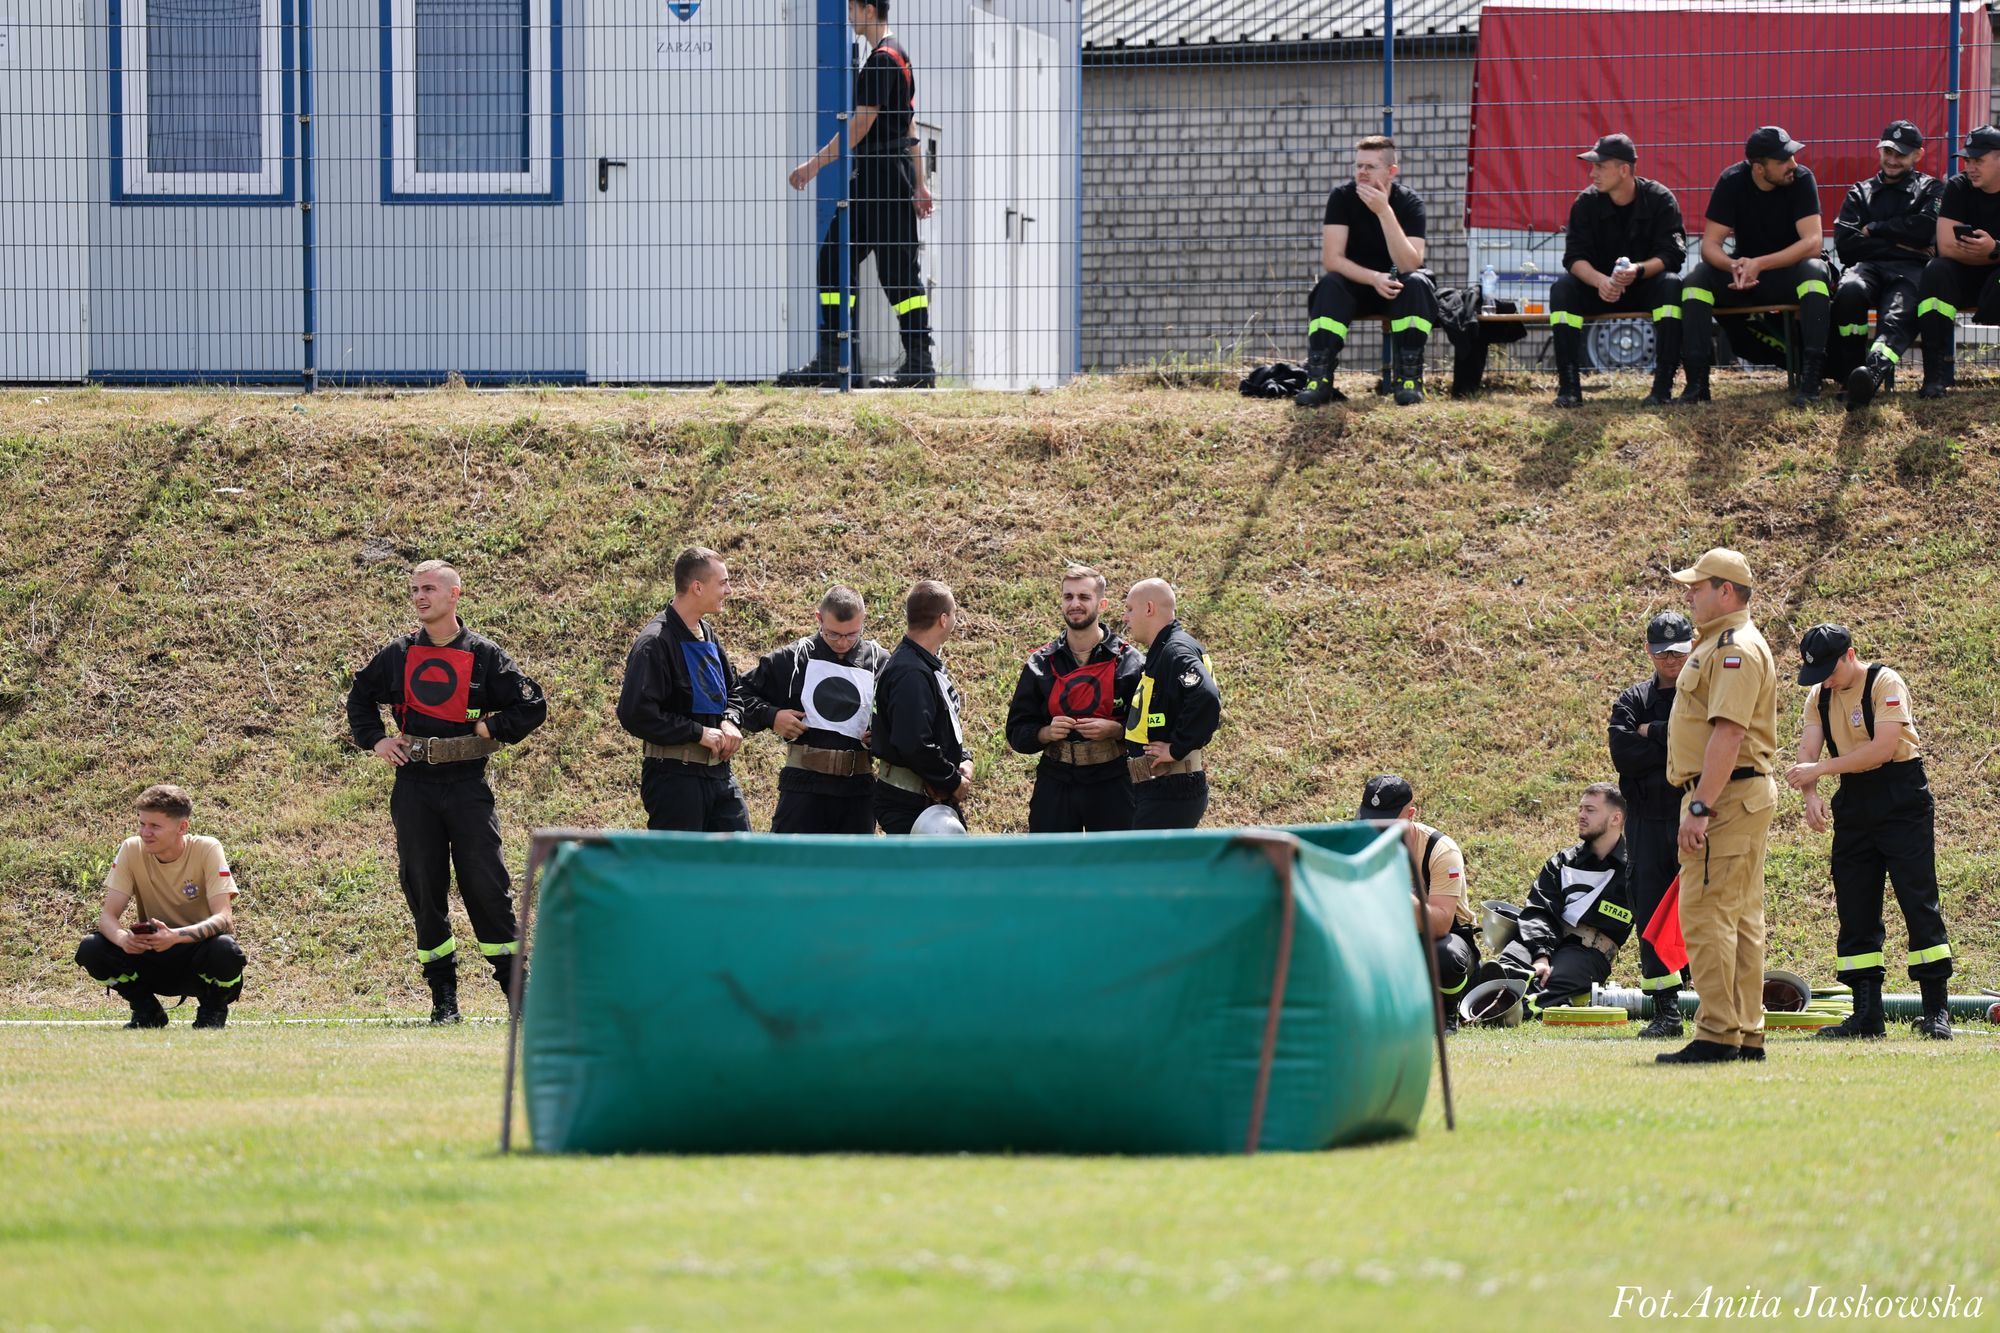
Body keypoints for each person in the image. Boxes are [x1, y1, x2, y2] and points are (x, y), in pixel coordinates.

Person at [347, 560, 547, 1024]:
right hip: (414, 787)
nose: (420, 597)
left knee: (487, 884)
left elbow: (531, 705)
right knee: (423, 887)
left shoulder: (484, 654)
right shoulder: (397, 654)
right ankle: (444, 1001)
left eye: (430, 589)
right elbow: (360, 695)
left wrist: (492, 725)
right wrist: (376, 739)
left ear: (455, 594)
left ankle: (520, 999)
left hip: (467, 787)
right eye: (415, 589)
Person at [1786, 624, 1953, 1039]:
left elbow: (1882, 748)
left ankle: (1936, 1011)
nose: (1825, 679)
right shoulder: (1819, 695)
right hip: (1855, 801)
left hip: (1900, 796)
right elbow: (1808, 751)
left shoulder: (1885, 682)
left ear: (1850, 654)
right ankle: (1867, 1015)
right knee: (1855, 905)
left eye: (1829, 669)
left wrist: (1821, 770)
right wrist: (1810, 795)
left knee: (1918, 900)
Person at [1658, 548, 1778, 1064]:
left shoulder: (1733, 649)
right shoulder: (1725, 644)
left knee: (1707, 916)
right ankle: (1744, 1032)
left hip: (1724, 798)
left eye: (1698, 586)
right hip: (1739, 795)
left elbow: (1728, 733)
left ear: (1725, 590)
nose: (1689, 594)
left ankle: (1717, 1032)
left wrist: (1700, 806)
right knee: (1742, 919)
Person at [778, 0, 936, 390]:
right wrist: (919, 182)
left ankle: (919, 364)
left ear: (868, 9)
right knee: (835, 258)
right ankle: (833, 358)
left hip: (882, 176)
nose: (849, 17)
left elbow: (860, 125)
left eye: (852, 8)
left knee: (898, 275)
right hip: (881, 175)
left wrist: (812, 166)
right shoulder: (896, 55)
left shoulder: (883, 59)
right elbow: (910, 123)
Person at [1679, 127, 1833, 406]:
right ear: (1759, 168)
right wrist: (1733, 266)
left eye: (1793, 157)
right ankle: (1696, 386)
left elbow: (1812, 242)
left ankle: (1811, 381)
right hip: (1746, 277)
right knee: (1696, 281)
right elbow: (1710, 246)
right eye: (1783, 160)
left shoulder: (1801, 179)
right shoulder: (1731, 181)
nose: (1793, 165)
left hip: (1786, 273)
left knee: (1814, 270)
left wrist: (1759, 264)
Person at [73, 785, 244, 1030]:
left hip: (196, 960)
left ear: (182, 827)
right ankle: (146, 1010)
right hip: (152, 956)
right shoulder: (131, 849)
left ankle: (213, 1010)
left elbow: (224, 918)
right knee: (92, 948)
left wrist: (175, 936)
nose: (145, 833)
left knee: (225, 950)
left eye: (155, 826)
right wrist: (123, 939)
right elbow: (107, 917)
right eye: (142, 824)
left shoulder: (207, 848)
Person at [1295, 135, 1437, 408]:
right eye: (1358, 165)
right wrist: (1373, 278)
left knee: (1418, 282)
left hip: (1398, 290)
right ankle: (1319, 379)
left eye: (1370, 167)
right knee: (1329, 284)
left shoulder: (1410, 202)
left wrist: (1384, 212)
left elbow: (1410, 264)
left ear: (1391, 171)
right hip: (1357, 287)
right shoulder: (1341, 197)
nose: (1361, 172)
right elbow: (1333, 260)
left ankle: (1408, 379)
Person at [1547, 135, 1688, 408]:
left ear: (1624, 170)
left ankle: (1662, 389)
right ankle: (1569, 389)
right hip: (1600, 290)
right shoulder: (1585, 203)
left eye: (1600, 166)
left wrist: (1638, 270)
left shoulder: (1660, 199)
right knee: (1562, 289)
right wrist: (1600, 281)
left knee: (1671, 284)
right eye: (1593, 167)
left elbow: (1672, 255)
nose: (1592, 173)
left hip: (1645, 285)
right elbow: (1574, 258)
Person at [1005, 566, 1147, 833]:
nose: (1075, 604)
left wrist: (1117, 730)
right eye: (1068, 597)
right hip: (1055, 779)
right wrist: (1045, 732)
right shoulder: (1040, 664)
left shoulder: (1131, 662)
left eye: (1084, 597)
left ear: (1101, 604)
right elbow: (1016, 732)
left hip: (1112, 780)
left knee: (1115, 867)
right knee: (1051, 867)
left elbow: (1153, 728)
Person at [738, 585, 888, 834]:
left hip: (857, 789)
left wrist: (880, 734)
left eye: (852, 634)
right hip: (803, 787)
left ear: (863, 621)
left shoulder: (879, 662)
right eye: (833, 634)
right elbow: (738, 693)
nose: (842, 642)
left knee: (855, 871)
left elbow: (900, 716)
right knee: (791, 868)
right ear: (818, 619)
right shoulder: (794, 658)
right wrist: (772, 715)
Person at [1608, 611, 1694, 1036]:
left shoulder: (1702, 694)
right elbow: (1624, 756)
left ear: (1693, 646)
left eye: (1678, 651)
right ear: (1649, 651)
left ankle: (1713, 1003)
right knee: (1650, 909)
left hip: (1694, 815)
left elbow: (1700, 747)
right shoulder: (1631, 700)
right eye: (1662, 653)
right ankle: (1666, 1012)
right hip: (1645, 823)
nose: (1671, 660)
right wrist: (1671, 740)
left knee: (1706, 909)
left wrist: (1651, 733)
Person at [1490, 785, 1633, 1017]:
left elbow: (1656, 922)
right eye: (1580, 809)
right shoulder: (1561, 861)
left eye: (1590, 810)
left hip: (1587, 953)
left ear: (1616, 818)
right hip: (1541, 940)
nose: (1581, 816)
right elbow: (1539, 910)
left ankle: (1506, 1009)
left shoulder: (1633, 870)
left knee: (1544, 987)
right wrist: (1541, 954)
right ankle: (1491, 999)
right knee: (1504, 968)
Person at [1833, 121, 1943, 410]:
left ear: (1918, 155)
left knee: (1897, 316)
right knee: (1849, 291)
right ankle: (1850, 375)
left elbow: (1924, 229)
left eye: (1901, 154)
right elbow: (1845, 245)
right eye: (1887, 151)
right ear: (1879, 150)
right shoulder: (1860, 192)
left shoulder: (1932, 188)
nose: (1892, 160)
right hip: (1867, 267)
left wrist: (1876, 227)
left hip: (1910, 271)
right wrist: (1900, 242)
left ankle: (1869, 376)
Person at [1358, 775, 1477, 1026]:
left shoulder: (1440, 849)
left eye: (1386, 821)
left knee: (1445, 956)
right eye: (1368, 819)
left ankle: (1446, 1014)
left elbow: (1441, 924)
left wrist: (1391, 888)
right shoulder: (1356, 843)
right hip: (1385, 938)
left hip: (1441, 938)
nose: (1374, 828)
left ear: (1410, 813)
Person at [870, 579, 973, 834]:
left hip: (927, 797)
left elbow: (940, 726)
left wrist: (963, 759)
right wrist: (952, 780)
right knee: (925, 874)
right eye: (954, 614)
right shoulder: (911, 672)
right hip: (910, 801)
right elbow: (914, 742)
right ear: (943, 619)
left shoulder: (922, 664)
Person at [1120, 579, 1222, 828]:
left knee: (1143, 866)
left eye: (1129, 609)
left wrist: (1176, 748)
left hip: (1169, 791)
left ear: (1149, 609)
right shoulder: (1166, 650)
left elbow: (1206, 698)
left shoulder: (1175, 651)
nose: (1124, 617)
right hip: (1158, 790)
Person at [1913, 125, 2000, 399]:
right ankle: (1935, 376)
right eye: (1967, 160)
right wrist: (1988, 255)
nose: (1971, 167)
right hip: (1963, 277)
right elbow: (1946, 248)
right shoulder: (1958, 187)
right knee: (1936, 270)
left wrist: (1994, 249)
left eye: (1979, 161)